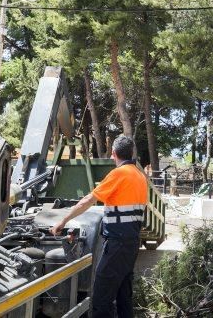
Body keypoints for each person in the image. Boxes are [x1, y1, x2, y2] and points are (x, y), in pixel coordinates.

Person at [51, 135, 148, 318]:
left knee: (101, 297)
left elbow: (89, 200)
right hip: (132, 243)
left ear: (114, 154)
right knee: (123, 295)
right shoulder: (140, 176)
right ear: (131, 153)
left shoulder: (119, 173)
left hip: (117, 243)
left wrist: (62, 221)